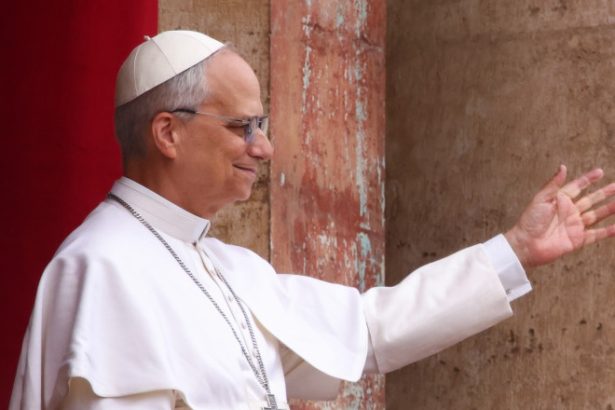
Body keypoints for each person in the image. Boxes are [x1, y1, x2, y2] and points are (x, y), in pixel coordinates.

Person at [9, 30, 615, 410]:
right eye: (243, 127)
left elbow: (368, 330)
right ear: (168, 133)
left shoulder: (227, 268)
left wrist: (514, 250)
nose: (264, 148)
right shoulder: (101, 268)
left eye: (262, 126)